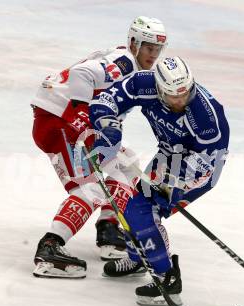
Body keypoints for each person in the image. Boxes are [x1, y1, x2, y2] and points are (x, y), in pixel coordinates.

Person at [31, 16, 167, 278]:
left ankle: (108, 228)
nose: (153, 55)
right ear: (134, 43)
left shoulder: (132, 66)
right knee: (90, 187)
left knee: (128, 165)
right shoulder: (124, 64)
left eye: (157, 49)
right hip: (58, 121)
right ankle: (50, 247)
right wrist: (81, 115)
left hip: (66, 119)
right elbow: (83, 74)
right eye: (149, 48)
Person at [88, 57, 229, 306]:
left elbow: (208, 162)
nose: (180, 101)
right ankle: (138, 256)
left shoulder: (206, 115)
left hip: (201, 165)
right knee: (131, 206)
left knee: (143, 209)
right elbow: (105, 100)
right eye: (172, 96)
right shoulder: (144, 84)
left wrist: (171, 183)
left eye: (184, 94)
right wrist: (108, 126)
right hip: (168, 154)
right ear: (159, 89)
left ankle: (167, 278)